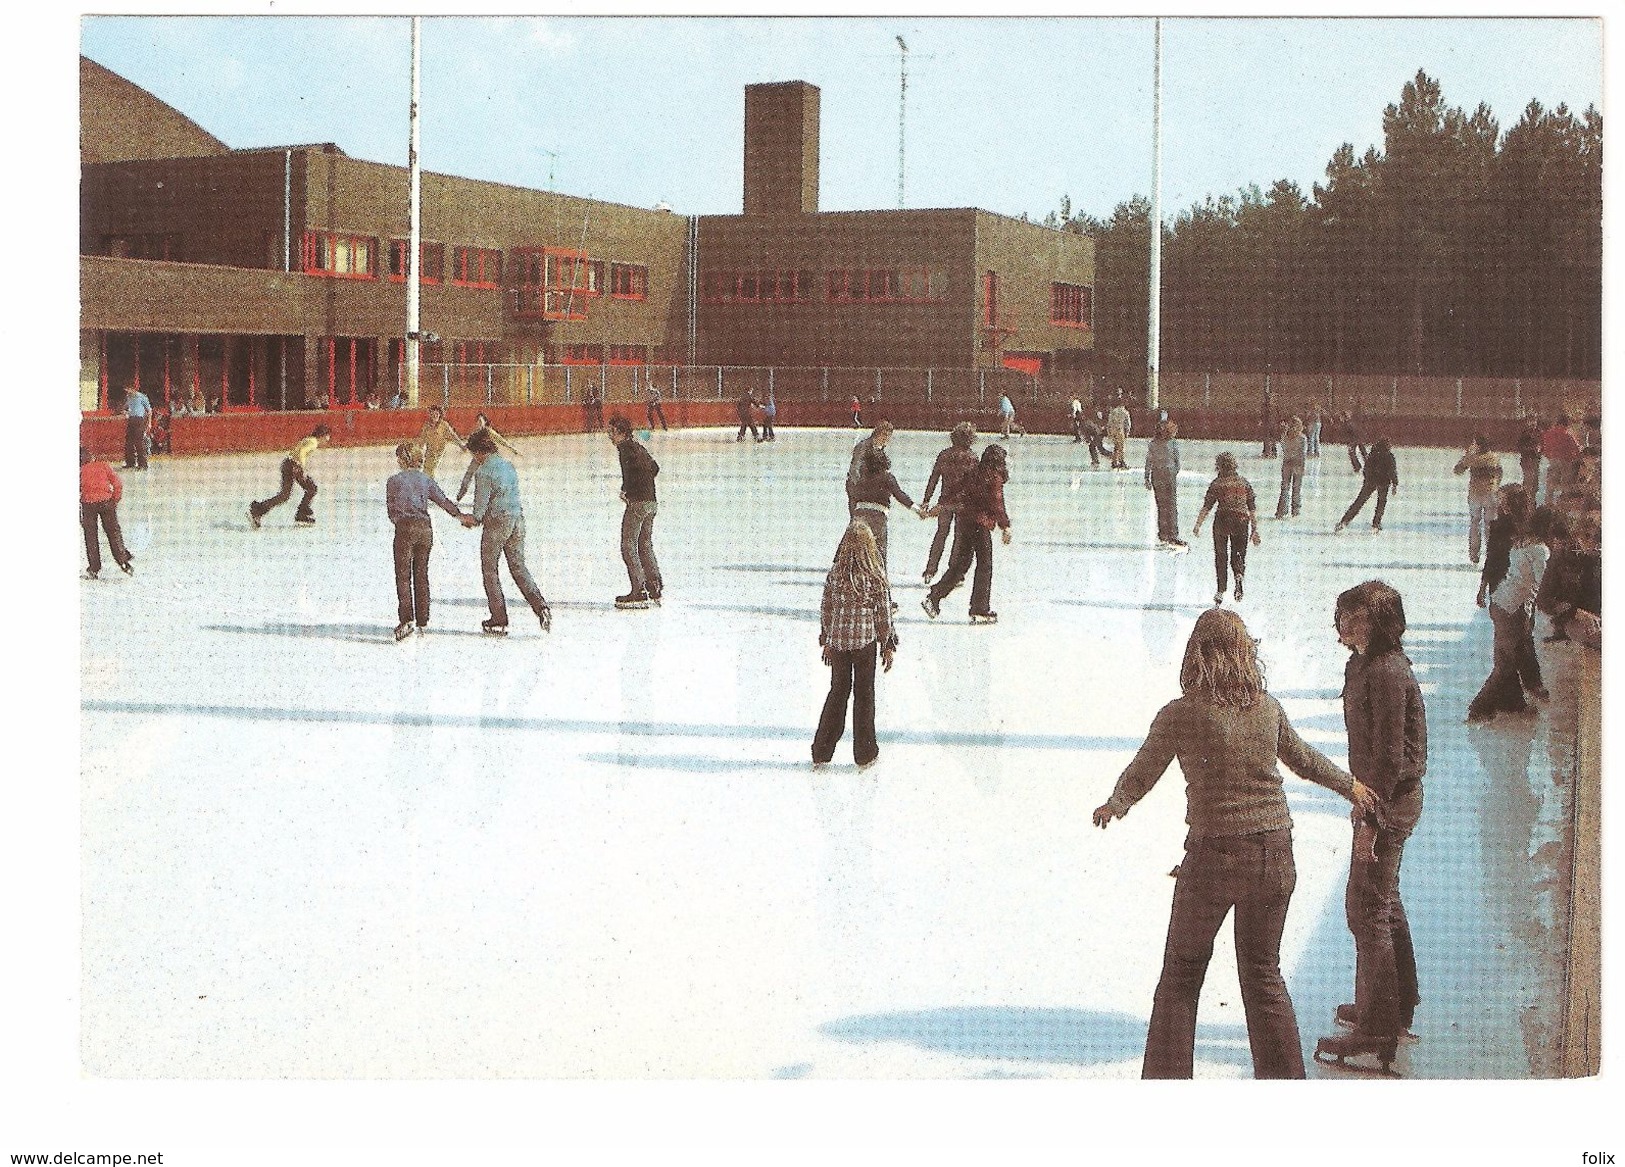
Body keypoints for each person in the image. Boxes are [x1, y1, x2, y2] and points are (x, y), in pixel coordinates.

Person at [1092, 608, 1378, 1079]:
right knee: (1264, 974)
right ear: (1246, 655)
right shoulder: (1267, 708)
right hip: (1276, 852)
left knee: (1181, 977)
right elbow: (1304, 761)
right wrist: (1352, 787)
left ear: (1195, 655)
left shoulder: (1181, 714)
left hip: (1215, 857)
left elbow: (1145, 769)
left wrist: (1116, 802)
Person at [1313, 581, 1426, 1075]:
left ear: (1379, 624)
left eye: (1353, 618)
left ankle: (1378, 1028)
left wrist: (1369, 824)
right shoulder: (1361, 664)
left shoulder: (1385, 672)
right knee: (1383, 901)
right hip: (1379, 796)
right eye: (1340, 615)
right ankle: (1395, 1005)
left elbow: (1387, 759)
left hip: (1388, 802)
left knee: (1365, 909)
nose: (1342, 625)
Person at [812, 521, 897, 770]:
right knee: (864, 695)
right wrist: (887, 644)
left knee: (837, 692)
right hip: (864, 643)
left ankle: (822, 750)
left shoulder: (835, 574)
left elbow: (826, 609)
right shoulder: (874, 576)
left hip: (838, 643)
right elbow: (883, 614)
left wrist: (826, 639)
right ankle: (865, 752)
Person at [460, 429, 552, 635]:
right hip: (517, 519)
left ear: (480, 452)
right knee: (518, 567)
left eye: (474, 454)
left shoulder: (483, 472)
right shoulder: (508, 465)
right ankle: (541, 607)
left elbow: (479, 511)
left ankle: (499, 618)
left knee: (490, 569)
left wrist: (469, 520)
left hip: (497, 522)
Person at [1467, 485, 1546, 720]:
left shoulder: (1527, 532)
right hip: (1506, 593)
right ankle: (1483, 706)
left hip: (1516, 592)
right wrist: (1483, 587)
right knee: (1509, 650)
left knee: (1517, 644)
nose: (1500, 506)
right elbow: (1492, 560)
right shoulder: (1499, 526)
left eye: (1504, 501)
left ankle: (1515, 700)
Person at [921, 443, 1011, 624]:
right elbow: (997, 502)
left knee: (961, 564)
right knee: (985, 565)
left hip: (963, 521)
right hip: (980, 524)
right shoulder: (994, 477)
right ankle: (979, 609)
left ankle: (934, 597)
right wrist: (1005, 526)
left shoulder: (974, 471)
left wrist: (941, 504)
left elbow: (956, 490)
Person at [385, 441, 464, 641]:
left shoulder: (393, 481)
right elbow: (443, 501)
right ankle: (423, 619)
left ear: (403, 459)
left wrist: (401, 522)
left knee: (403, 576)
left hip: (405, 528)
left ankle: (406, 620)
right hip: (425, 529)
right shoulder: (425, 479)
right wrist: (461, 516)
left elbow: (391, 510)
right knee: (421, 575)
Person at [607, 414, 662, 609]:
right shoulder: (638, 447)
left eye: (612, 432)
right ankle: (654, 586)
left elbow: (631, 473)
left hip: (638, 503)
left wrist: (628, 492)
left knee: (628, 545)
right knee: (645, 543)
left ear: (622, 433)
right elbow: (654, 468)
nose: (609, 436)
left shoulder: (625, 450)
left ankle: (638, 590)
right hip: (651, 502)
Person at [1192, 452, 1260, 606]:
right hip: (1242, 520)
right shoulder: (1244, 483)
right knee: (1238, 553)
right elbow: (1252, 509)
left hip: (1223, 519)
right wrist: (1255, 529)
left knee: (1221, 555)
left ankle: (1220, 590)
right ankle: (1239, 574)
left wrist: (1198, 524)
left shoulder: (1217, 484)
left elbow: (1207, 507)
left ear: (1219, 466)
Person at [920, 422, 979, 585]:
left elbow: (933, 479)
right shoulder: (972, 458)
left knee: (941, 535)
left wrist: (926, 501)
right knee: (959, 538)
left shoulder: (944, 455)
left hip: (944, 501)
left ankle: (930, 570)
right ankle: (955, 574)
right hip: (962, 504)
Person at [850, 447, 922, 579]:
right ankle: (883, 596)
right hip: (878, 517)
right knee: (880, 556)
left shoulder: (861, 477)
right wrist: (918, 510)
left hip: (859, 515)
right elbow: (900, 496)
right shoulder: (887, 477)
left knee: (857, 555)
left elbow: (853, 496)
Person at [249, 423, 330, 528]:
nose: (328, 439)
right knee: (311, 488)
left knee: (285, 495)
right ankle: (302, 514)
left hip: (288, 464)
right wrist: (301, 468)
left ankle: (259, 509)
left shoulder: (308, 439)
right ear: (323, 435)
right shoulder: (313, 442)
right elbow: (302, 451)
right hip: (293, 466)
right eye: (328, 436)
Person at [80, 446, 134, 579]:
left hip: (88, 504)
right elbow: (117, 484)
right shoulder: (103, 465)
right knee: (113, 532)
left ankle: (94, 568)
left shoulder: (80, 471)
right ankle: (123, 561)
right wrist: (114, 500)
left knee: (91, 536)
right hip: (106, 502)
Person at [1453, 435, 1503, 564]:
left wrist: (1468, 454)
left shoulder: (1473, 458)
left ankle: (1474, 554)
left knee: (1475, 523)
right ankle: (1491, 553)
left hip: (1475, 493)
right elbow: (1500, 473)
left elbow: (1457, 470)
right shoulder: (1494, 457)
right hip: (1491, 492)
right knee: (1490, 525)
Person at [1334, 437, 1398, 533]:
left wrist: (1367, 478)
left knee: (1359, 502)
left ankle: (1344, 521)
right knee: (1381, 504)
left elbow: (1366, 468)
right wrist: (1394, 484)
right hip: (1384, 482)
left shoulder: (1373, 454)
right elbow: (1392, 471)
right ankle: (1376, 524)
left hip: (1371, 481)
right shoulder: (1389, 456)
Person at [456, 412, 520, 503]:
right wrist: (462, 450)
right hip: (478, 458)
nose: (479, 423)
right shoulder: (473, 435)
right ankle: (462, 491)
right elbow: (467, 447)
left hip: (490, 458)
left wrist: (512, 449)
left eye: (481, 421)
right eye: (478, 422)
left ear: (485, 422)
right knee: (469, 474)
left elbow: (500, 440)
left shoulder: (488, 431)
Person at [1144, 418, 1186, 547]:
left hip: (1157, 475)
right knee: (1171, 506)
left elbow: (1149, 462)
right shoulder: (1172, 443)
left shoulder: (1153, 444)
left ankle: (1164, 534)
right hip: (1168, 475)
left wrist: (1146, 477)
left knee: (1162, 506)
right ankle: (1172, 534)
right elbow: (1177, 462)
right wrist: (1173, 472)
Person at [846, 421, 893, 516]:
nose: (886, 439)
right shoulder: (864, 446)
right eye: (884, 435)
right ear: (878, 433)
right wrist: (860, 488)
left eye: (888, 436)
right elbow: (854, 468)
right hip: (857, 488)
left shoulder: (880, 451)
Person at [1539, 415, 1583, 508]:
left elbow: (1543, 449)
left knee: (1550, 485)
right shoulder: (1567, 435)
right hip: (1566, 462)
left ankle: (1548, 506)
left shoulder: (1547, 434)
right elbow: (1576, 450)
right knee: (1566, 485)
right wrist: (1573, 458)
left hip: (1553, 461)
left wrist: (1550, 456)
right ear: (1566, 424)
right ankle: (1564, 506)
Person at [418, 404, 466, 480]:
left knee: (430, 469)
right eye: (432, 414)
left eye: (436, 414)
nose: (435, 416)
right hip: (429, 452)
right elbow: (422, 440)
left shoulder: (444, 425)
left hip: (439, 452)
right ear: (430, 415)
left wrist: (461, 445)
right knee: (426, 470)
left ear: (440, 414)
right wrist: (418, 450)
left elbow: (453, 436)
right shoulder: (427, 426)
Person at [1274, 416, 1307, 519]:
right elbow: (1303, 453)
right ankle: (1295, 509)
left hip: (1287, 463)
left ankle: (1282, 510)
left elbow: (1283, 449)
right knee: (1296, 488)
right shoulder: (1302, 438)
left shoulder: (1284, 436)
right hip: (1298, 463)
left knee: (1285, 487)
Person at [123, 386, 152, 470]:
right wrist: (125, 411)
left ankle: (143, 464)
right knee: (129, 442)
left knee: (139, 442)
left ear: (133, 389)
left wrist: (149, 423)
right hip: (131, 419)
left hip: (139, 420)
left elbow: (149, 411)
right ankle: (130, 462)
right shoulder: (129, 397)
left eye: (128, 389)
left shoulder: (142, 397)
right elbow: (126, 407)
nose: (127, 391)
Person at [1516, 414, 1543, 498]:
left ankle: (1532, 501)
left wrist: (1540, 450)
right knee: (1528, 481)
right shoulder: (1524, 433)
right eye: (1531, 421)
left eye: (1534, 421)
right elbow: (1520, 447)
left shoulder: (1539, 432)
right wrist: (1531, 448)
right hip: (1527, 459)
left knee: (1535, 482)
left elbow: (1542, 444)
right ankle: (1525, 500)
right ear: (1527, 422)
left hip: (1536, 459)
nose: (1533, 423)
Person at [1107, 399, 1132, 469]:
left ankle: (1114, 461)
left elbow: (1109, 422)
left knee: (1116, 447)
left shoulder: (1113, 412)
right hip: (1120, 430)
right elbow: (1128, 424)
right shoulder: (1125, 412)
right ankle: (1121, 461)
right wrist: (1127, 432)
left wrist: (1109, 432)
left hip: (1113, 430)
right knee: (1121, 447)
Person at [1340, 410, 1367, 474]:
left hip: (1355, 440)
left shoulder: (1347, 424)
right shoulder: (1350, 423)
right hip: (1358, 439)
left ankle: (1357, 467)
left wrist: (1351, 443)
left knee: (1352, 454)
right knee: (1363, 453)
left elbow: (1352, 434)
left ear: (1344, 417)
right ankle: (1362, 465)